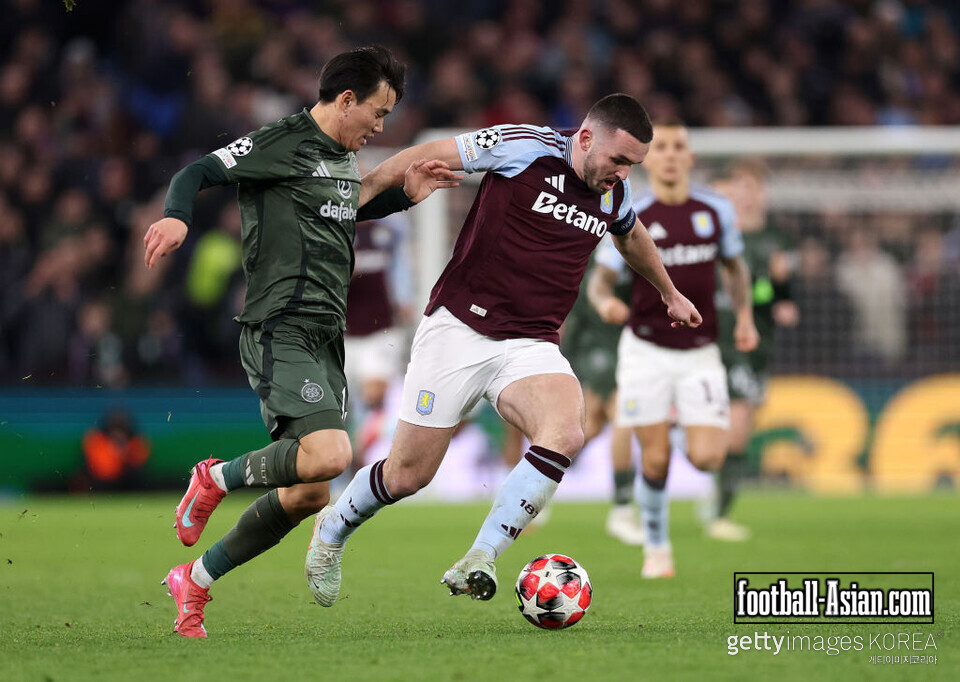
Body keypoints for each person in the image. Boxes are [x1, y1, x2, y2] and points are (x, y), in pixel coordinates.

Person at [304, 93, 701, 607]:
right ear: (584, 138)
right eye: (619, 160)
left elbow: (630, 235)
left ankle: (482, 556)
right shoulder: (523, 146)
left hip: (531, 342)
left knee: (565, 430)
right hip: (458, 330)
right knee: (408, 475)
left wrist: (669, 292)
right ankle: (333, 528)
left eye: (633, 166)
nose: (624, 174)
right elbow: (427, 153)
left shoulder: (612, 193)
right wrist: (356, 199)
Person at [142, 46, 459, 638]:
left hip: (324, 338)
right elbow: (197, 172)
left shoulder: (340, 159)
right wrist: (178, 215)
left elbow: (341, 210)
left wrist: (402, 196)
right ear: (346, 100)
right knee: (334, 457)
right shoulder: (281, 142)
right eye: (379, 112)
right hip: (279, 327)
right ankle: (215, 478)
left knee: (311, 491)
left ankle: (195, 580)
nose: (381, 127)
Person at [587, 120, 759, 579]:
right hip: (645, 350)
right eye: (659, 147)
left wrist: (744, 317)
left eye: (677, 146)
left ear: (689, 157)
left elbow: (735, 267)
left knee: (708, 458)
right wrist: (605, 302)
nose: (668, 154)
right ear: (647, 157)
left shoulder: (715, 209)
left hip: (701, 350)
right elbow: (601, 279)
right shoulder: (630, 208)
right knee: (656, 457)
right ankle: (657, 549)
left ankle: (680, 418)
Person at [706, 159, 799, 541]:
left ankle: (716, 490)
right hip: (720, 339)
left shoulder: (777, 239)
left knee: (746, 419)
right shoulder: (714, 234)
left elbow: (774, 290)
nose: (745, 194)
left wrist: (779, 297)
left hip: (757, 339)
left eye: (751, 187)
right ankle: (720, 514)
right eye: (738, 186)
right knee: (739, 424)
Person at [561, 243, 644, 545]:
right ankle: (622, 510)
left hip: (630, 348)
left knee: (590, 428)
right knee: (621, 418)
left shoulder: (634, 250)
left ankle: (537, 483)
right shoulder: (580, 252)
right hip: (593, 348)